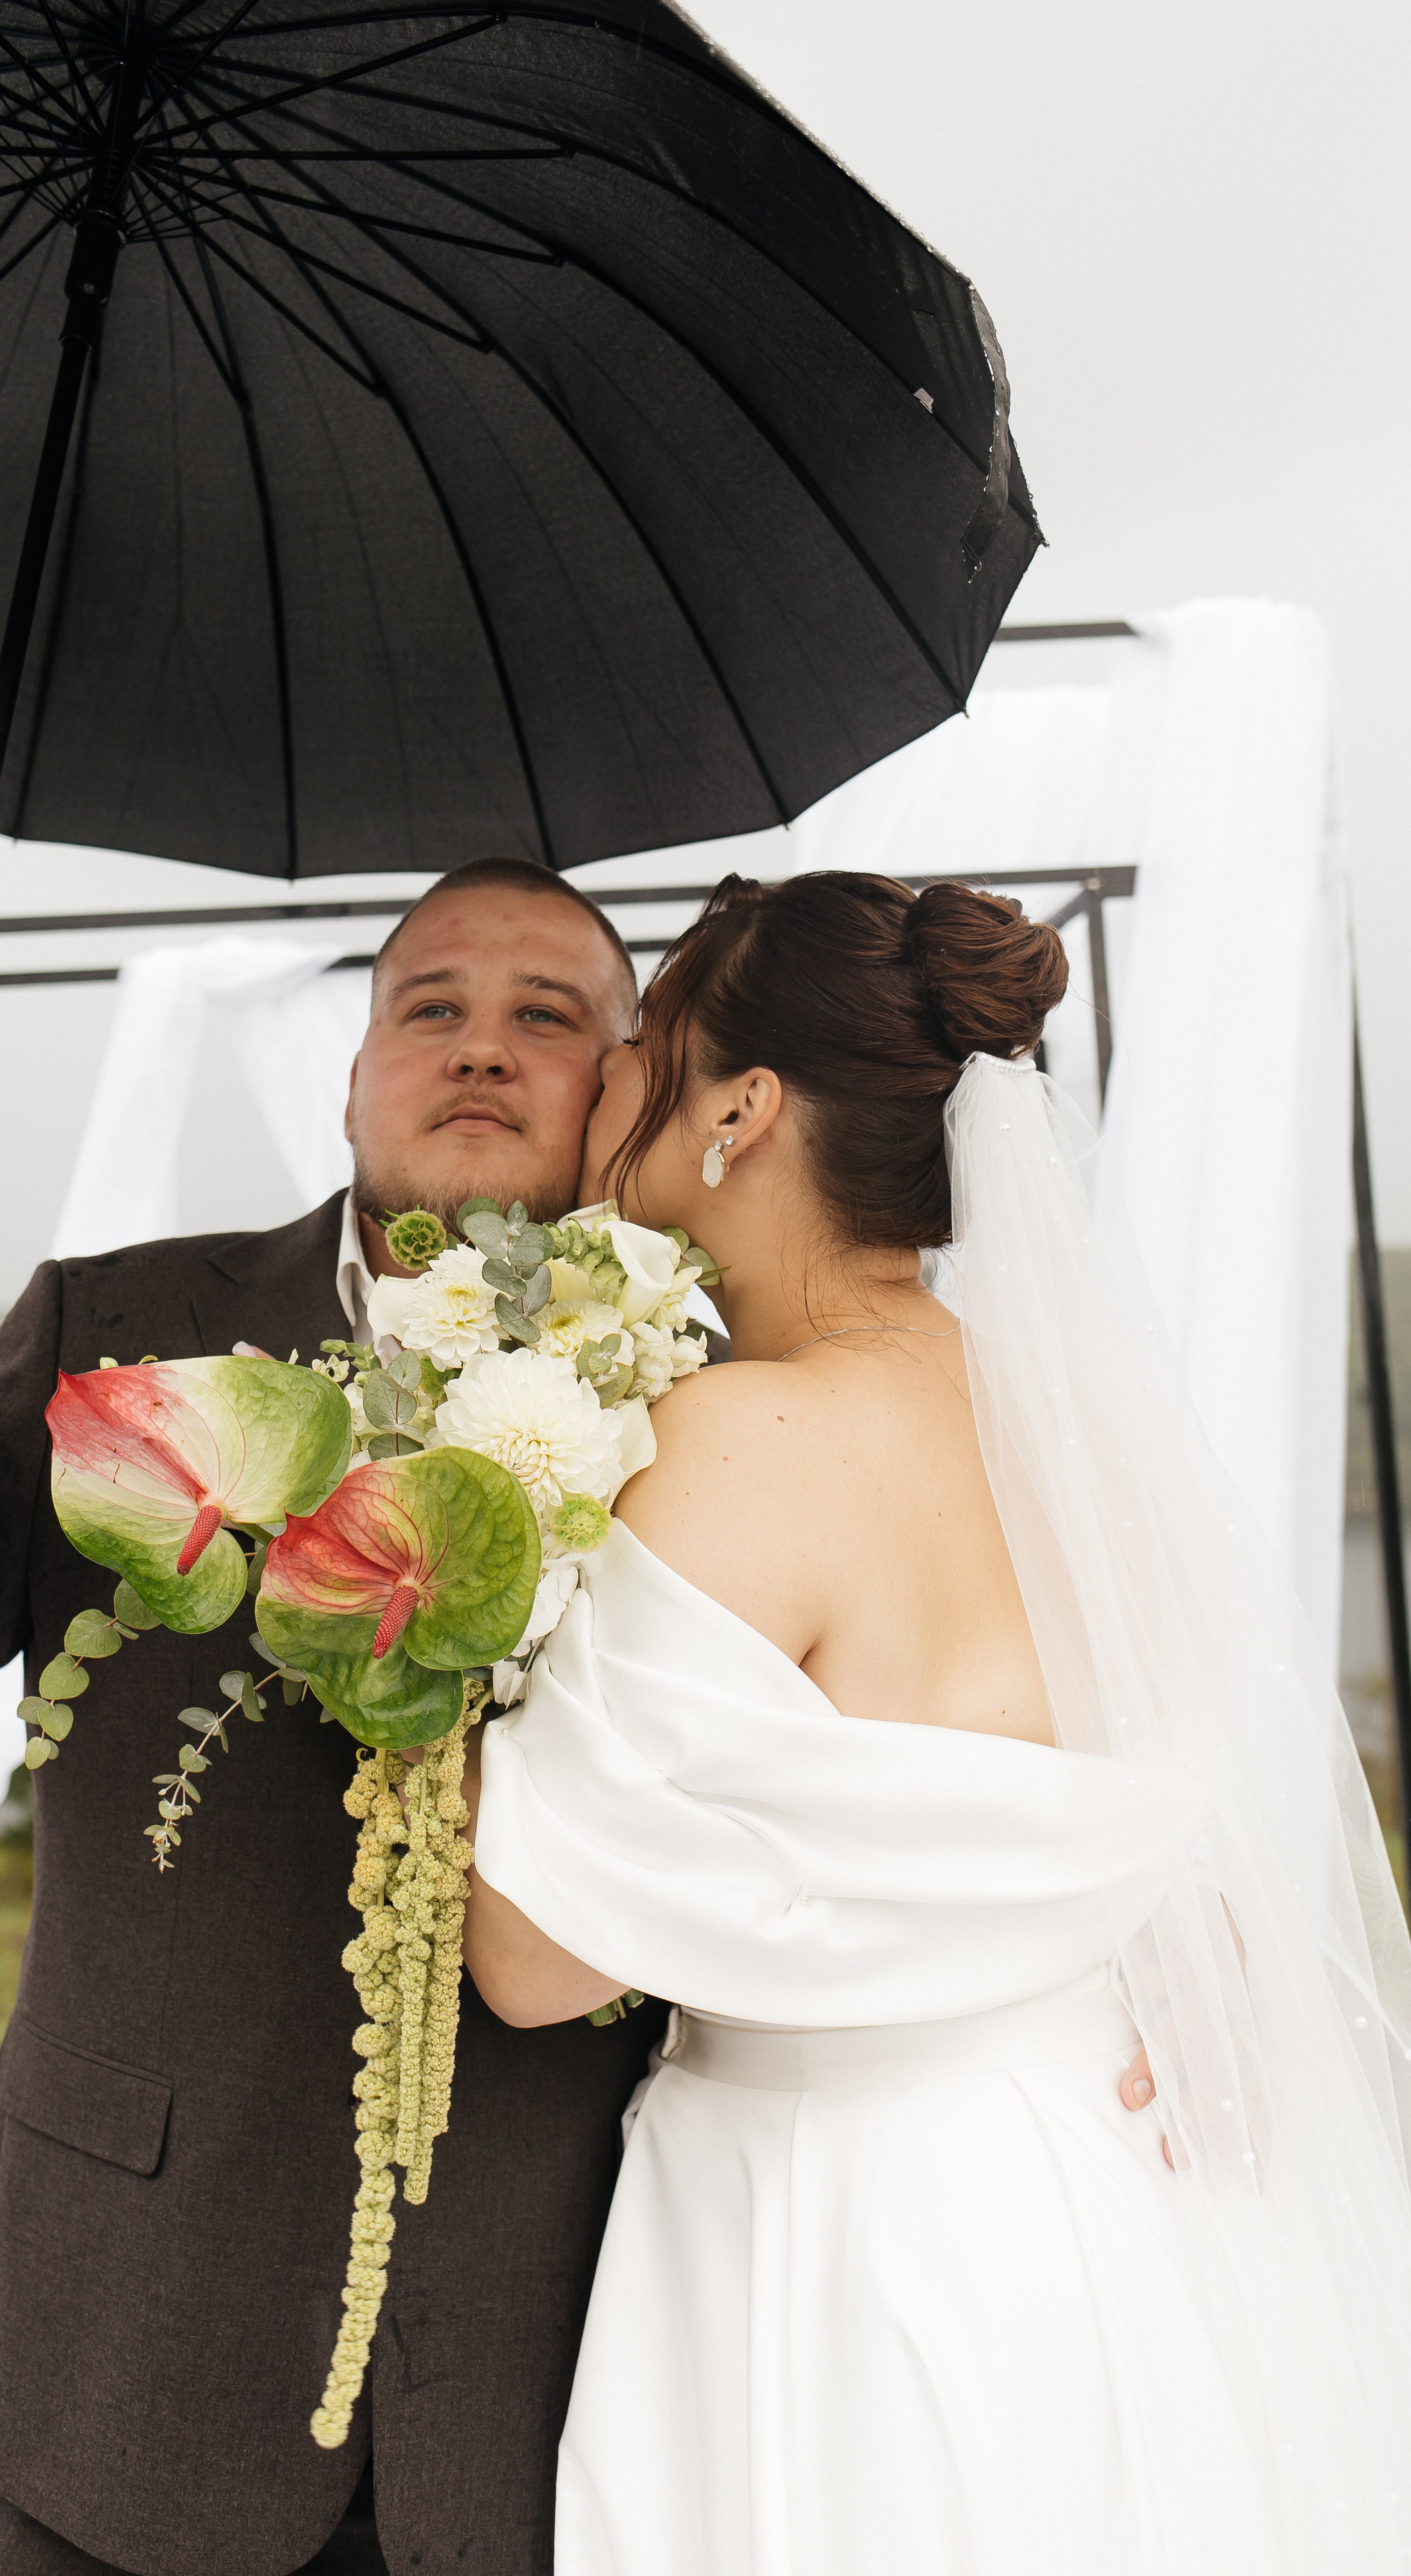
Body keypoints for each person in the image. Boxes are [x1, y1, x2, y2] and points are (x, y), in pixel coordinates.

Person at [0, 858, 665, 2576]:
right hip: (114, 2348)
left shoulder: (700, 1394)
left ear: (629, 1084)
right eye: (427, 1009)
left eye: (548, 1017)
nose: (479, 1051)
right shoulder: (123, 1327)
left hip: (555, 2376)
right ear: (355, 1069)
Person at [463, 871, 1411, 2575]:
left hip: (842, 2225)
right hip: (1106, 2195)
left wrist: (445, 1607)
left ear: (739, 1109)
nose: (604, 1079)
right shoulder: (1075, 1429)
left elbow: (533, 1963)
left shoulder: (732, 1440)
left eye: (645, 1048)